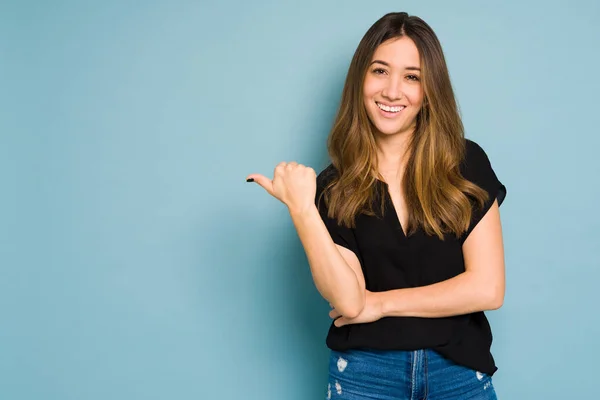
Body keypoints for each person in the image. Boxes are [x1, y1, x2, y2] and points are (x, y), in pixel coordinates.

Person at [246, 11, 506, 400]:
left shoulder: (465, 163)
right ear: (360, 80)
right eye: (380, 71)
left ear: (430, 88)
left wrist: (379, 304)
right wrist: (302, 210)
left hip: (458, 371)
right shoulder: (333, 187)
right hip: (367, 375)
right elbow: (348, 301)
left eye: (412, 76)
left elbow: (488, 288)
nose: (392, 91)